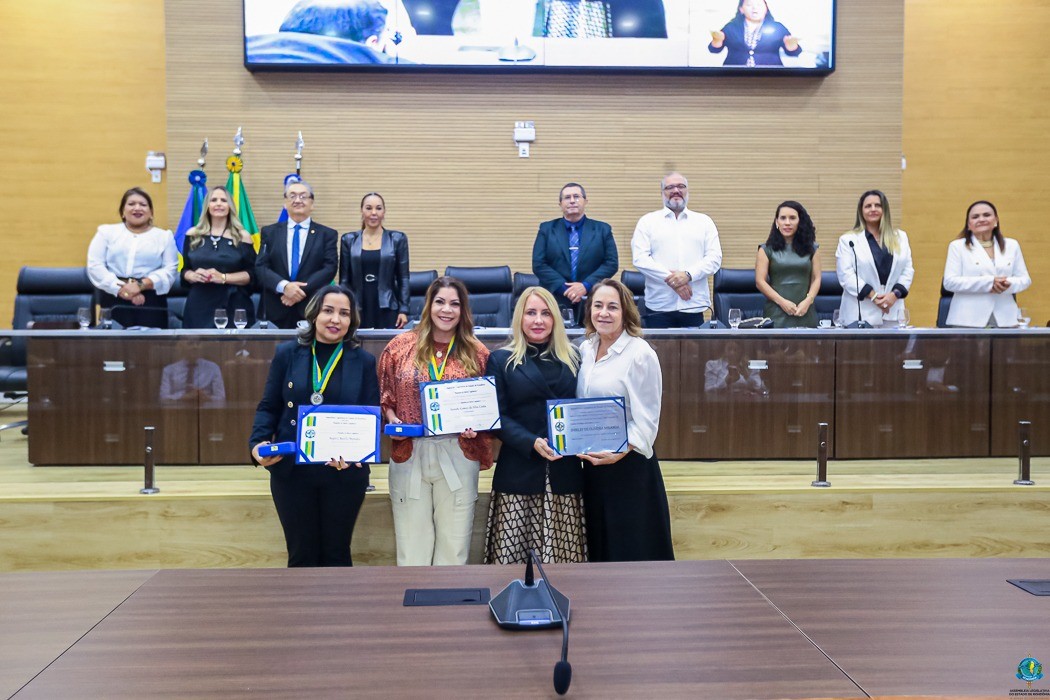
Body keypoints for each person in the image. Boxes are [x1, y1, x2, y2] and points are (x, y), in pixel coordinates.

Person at [249, 285, 380, 567]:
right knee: (301, 556)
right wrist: (257, 444)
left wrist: (357, 454)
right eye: (328, 311)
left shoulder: (364, 361)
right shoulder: (287, 354)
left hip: (343, 474)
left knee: (337, 555)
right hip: (292, 473)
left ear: (352, 321)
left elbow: (370, 416)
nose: (335, 319)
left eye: (344, 313)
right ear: (314, 315)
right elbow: (269, 406)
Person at [378, 276, 492, 566]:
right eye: (440, 302)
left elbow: (487, 406)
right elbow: (385, 398)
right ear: (429, 305)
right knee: (412, 550)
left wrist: (476, 425)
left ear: (463, 310)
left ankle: (449, 598)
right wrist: (393, 420)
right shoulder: (399, 347)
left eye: (455, 304)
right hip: (409, 452)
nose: (447, 310)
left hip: (458, 453)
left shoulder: (477, 352)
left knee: (453, 551)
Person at [483, 286, 585, 565]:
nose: (538, 320)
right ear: (520, 318)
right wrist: (531, 441)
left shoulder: (575, 357)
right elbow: (496, 417)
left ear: (555, 319)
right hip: (519, 469)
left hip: (565, 471)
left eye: (545, 313)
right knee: (511, 559)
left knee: (566, 561)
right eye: (531, 313)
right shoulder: (501, 360)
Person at [576, 279, 674, 562]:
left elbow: (648, 419)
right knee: (599, 550)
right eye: (598, 306)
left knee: (631, 553)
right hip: (593, 467)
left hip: (629, 469)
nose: (604, 313)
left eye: (612, 307)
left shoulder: (640, 354)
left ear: (625, 312)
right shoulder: (584, 349)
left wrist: (621, 451)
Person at [631, 172, 722, 327]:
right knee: (658, 344)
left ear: (687, 190)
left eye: (681, 186)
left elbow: (714, 259)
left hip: (693, 305)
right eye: (670, 187)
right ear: (662, 193)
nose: (676, 190)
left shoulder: (704, 222)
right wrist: (674, 280)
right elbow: (640, 259)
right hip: (659, 306)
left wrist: (688, 275)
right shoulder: (647, 222)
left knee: (694, 344)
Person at [87, 187, 179, 327]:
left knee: (152, 341)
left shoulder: (164, 236)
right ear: (122, 212)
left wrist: (140, 286)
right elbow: (95, 266)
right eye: (131, 204)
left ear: (151, 213)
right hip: (114, 296)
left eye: (143, 204)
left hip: (151, 300)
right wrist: (122, 290)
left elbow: (170, 270)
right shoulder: (106, 232)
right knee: (112, 340)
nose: (137, 208)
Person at [256, 181, 339, 329]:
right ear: (285, 203)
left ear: (312, 203)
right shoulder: (270, 232)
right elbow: (261, 267)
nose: (297, 200)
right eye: (292, 196)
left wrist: (298, 292)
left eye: (303, 196)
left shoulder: (326, 234)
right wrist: (285, 287)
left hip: (311, 307)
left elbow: (329, 268)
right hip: (276, 307)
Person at [531, 182, 618, 323]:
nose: (572, 201)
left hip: (592, 298)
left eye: (576, 196)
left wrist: (586, 286)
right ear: (560, 204)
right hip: (555, 297)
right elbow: (539, 264)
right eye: (567, 197)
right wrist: (565, 288)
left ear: (585, 201)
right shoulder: (546, 229)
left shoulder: (602, 229)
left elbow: (611, 263)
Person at [943, 200, 1031, 327]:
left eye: (987, 215)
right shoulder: (957, 246)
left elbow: (1025, 280)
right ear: (969, 224)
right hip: (967, 319)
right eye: (975, 217)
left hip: (1005, 318)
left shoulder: (1012, 245)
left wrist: (1005, 284)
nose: (981, 219)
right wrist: (989, 282)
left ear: (996, 220)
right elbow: (950, 282)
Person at [834, 190, 914, 328]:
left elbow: (908, 270)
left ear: (885, 209)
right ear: (861, 211)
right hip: (860, 314)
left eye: (877, 205)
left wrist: (894, 295)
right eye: (868, 206)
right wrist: (874, 296)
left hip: (893, 313)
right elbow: (846, 275)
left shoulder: (900, 237)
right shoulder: (848, 240)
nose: (873, 209)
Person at [180, 186, 257, 329]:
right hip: (199, 305)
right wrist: (192, 275)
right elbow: (185, 270)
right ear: (207, 206)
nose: (219, 204)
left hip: (233, 304)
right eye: (214, 200)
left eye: (224, 200)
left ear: (230, 206)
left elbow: (252, 274)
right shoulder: (193, 234)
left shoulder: (242, 236)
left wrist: (223, 277)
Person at [339, 192, 410, 329]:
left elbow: (404, 278)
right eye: (368, 208)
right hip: (357, 307)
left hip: (387, 306)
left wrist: (404, 310)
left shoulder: (397, 239)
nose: (373, 213)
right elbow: (344, 280)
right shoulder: (348, 240)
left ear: (384, 212)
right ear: (361, 211)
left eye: (378, 208)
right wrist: (343, 308)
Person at [755, 200, 821, 328]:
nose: (787, 222)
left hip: (805, 310)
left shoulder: (812, 249)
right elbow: (760, 282)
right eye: (783, 218)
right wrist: (782, 302)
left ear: (800, 221)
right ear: (777, 222)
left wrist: (808, 301)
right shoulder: (766, 249)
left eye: (792, 218)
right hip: (777, 311)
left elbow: (816, 278)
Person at [708, 0, 801, 67]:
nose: (754, 8)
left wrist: (791, 45)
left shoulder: (777, 27)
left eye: (759, 5)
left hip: (771, 75)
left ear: (766, 9)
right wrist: (717, 40)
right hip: (734, 75)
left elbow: (794, 53)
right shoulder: (731, 26)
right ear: (741, 9)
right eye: (749, 5)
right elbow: (714, 50)